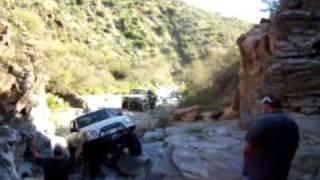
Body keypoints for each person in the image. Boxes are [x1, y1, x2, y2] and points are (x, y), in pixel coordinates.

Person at [243, 95, 300, 180]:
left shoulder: (262, 121)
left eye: (263, 105)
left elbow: (248, 148)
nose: (262, 107)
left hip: (258, 174)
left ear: (268, 105)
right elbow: (294, 146)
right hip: (281, 173)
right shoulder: (292, 124)